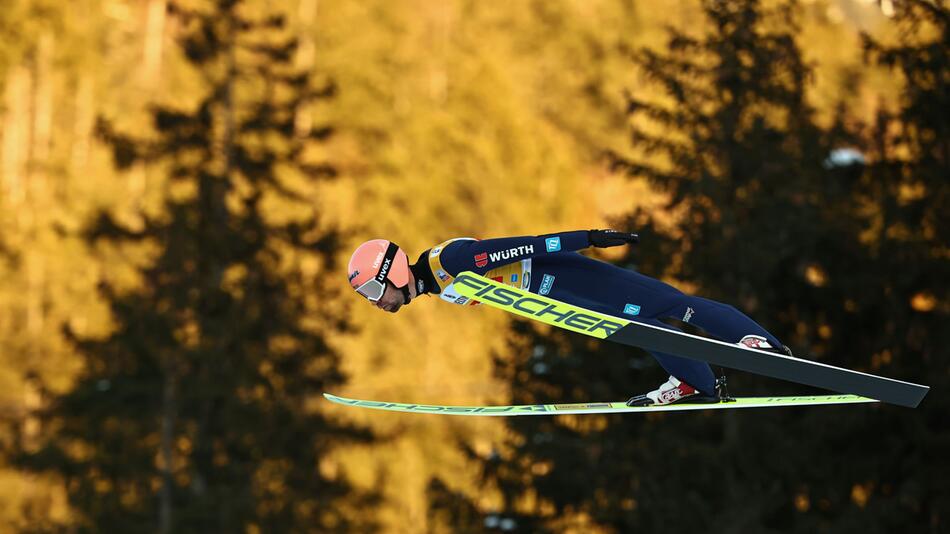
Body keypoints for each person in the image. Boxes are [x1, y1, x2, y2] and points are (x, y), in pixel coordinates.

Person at [346, 230, 790, 406]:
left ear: (394, 272)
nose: (374, 301)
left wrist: (591, 238)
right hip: (565, 300)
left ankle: (756, 341)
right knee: (641, 331)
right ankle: (697, 382)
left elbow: (528, 246)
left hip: (574, 278)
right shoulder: (439, 284)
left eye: (371, 289)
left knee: (673, 306)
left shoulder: (454, 260)